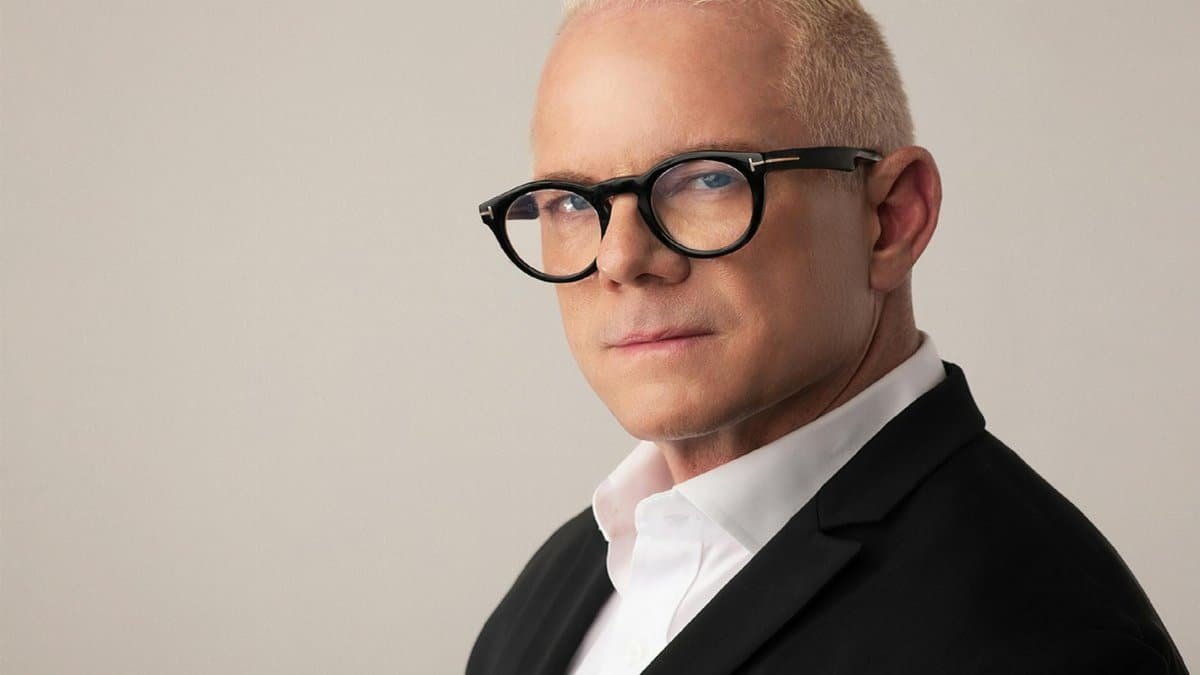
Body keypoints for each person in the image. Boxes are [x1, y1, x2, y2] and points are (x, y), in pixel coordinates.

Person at [466, 1, 1189, 673]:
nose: (621, 258)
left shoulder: (1045, 637)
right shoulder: (552, 591)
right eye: (568, 202)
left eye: (707, 179)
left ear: (891, 219)